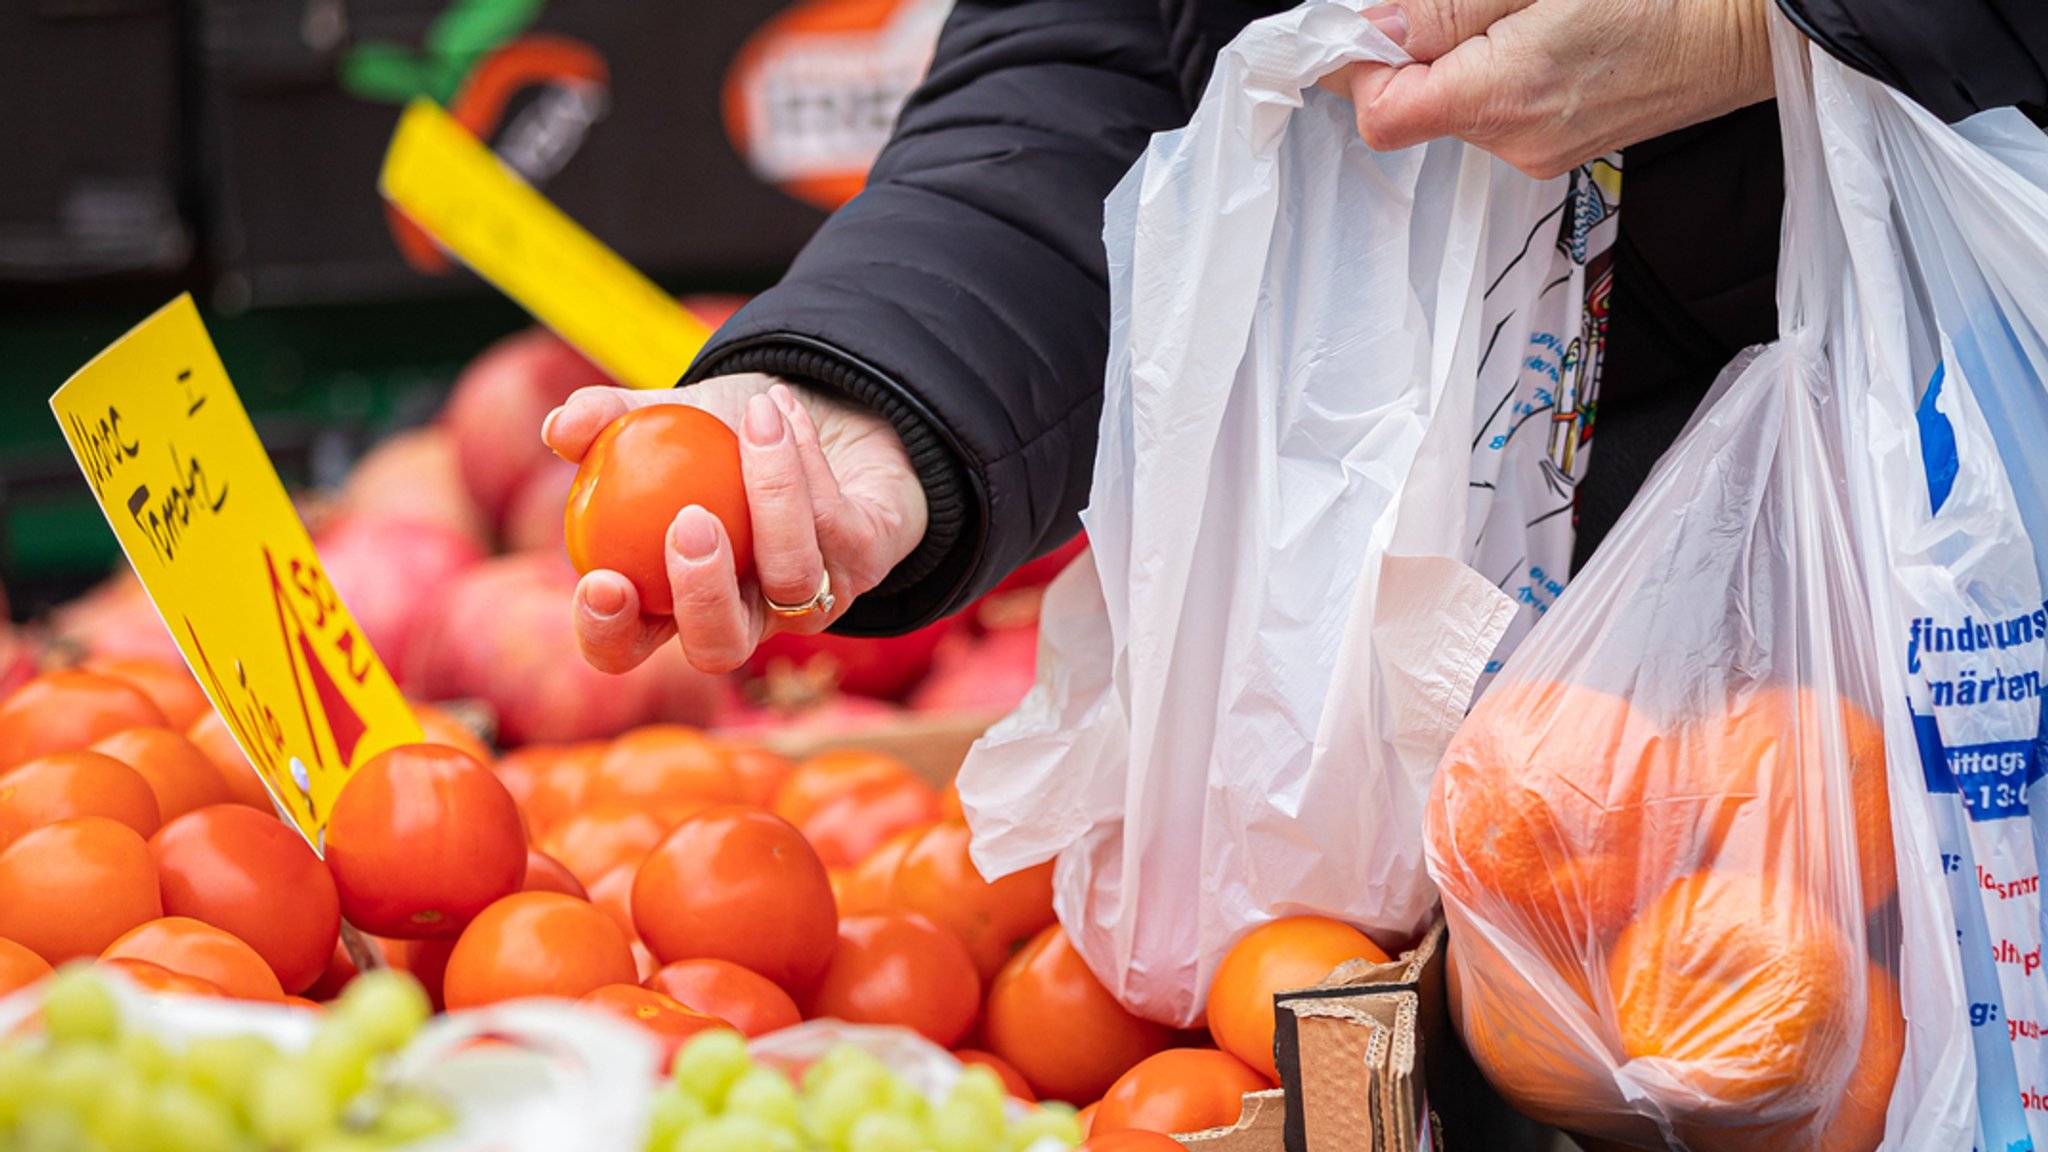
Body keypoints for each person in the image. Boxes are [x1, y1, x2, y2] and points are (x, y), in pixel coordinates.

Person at [543, 0, 2048, 677]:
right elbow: (1113, 52)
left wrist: (1765, 27)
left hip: (1972, 506)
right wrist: (873, 393)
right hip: (1576, 705)